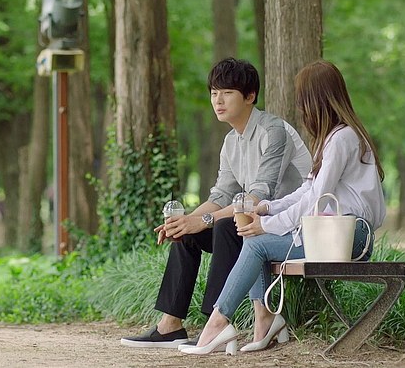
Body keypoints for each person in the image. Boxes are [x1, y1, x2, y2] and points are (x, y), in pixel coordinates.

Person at [179, 59, 386, 356]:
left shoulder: (342, 139)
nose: (300, 107)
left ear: (318, 99)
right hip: (330, 233)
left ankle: (219, 322)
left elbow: (315, 200)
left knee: (257, 241)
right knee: (254, 236)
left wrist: (267, 224)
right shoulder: (331, 139)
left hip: (351, 235)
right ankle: (264, 323)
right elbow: (306, 191)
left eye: (303, 99)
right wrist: (266, 209)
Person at [121, 58, 311, 348]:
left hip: (290, 226)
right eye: (213, 93)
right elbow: (221, 195)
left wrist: (204, 220)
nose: (218, 101)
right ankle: (170, 325)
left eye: (227, 93)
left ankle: (216, 323)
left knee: (224, 226)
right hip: (256, 224)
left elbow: (258, 197)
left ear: (250, 96)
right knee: (188, 234)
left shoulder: (274, 132)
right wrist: (185, 222)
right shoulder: (231, 141)